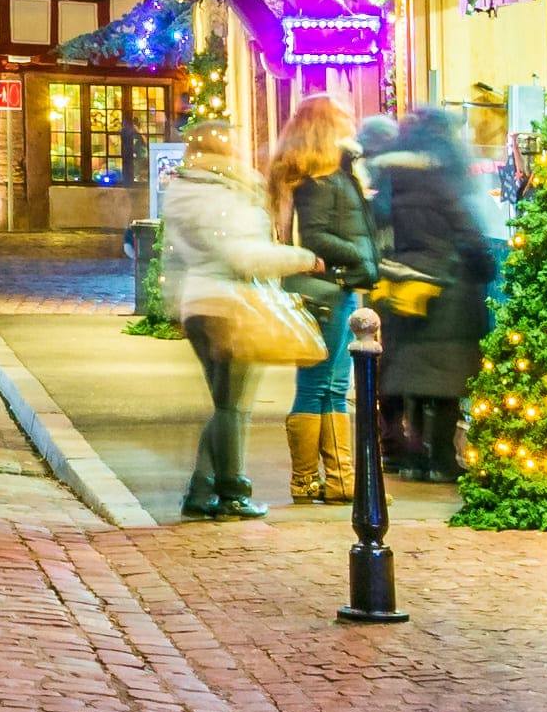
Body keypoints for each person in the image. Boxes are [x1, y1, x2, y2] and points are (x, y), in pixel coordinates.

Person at [153, 126, 315, 521]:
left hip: (198, 304)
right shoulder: (225, 195)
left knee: (225, 405)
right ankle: (232, 492)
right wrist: (303, 259)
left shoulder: (185, 190)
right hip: (231, 307)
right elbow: (245, 256)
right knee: (233, 408)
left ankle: (202, 489)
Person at [364, 105, 500, 483]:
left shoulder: (392, 179)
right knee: (444, 381)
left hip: (404, 286)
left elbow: (376, 224)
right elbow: (467, 231)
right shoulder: (444, 178)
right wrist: (485, 266)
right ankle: (440, 457)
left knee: (413, 377)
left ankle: (411, 455)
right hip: (446, 287)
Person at [270, 97, 384, 507]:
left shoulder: (331, 172)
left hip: (337, 288)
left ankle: (337, 481)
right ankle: (311, 480)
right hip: (325, 290)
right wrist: (359, 255)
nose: (352, 123)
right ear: (324, 127)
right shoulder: (317, 179)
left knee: (334, 385)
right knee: (320, 384)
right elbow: (316, 236)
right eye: (343, 118)